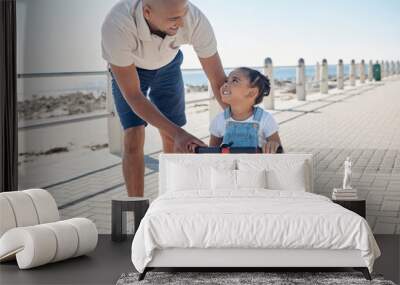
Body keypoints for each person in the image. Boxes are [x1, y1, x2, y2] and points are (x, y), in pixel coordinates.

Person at [101, 0, 227, 196]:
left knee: (171, 135)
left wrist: (242, 121)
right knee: (133, 136)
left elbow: (218, 80)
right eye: (173, 19)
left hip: (168, 66)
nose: (182, 23)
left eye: (183, 14)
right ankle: (138, 212)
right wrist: (179, 134)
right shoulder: (117, 25)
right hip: (132, 70)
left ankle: (171, 200)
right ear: (147, 12)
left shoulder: (194, 19)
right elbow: (134, 95)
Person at [209, 67, 283, 153]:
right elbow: (211, 154)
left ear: (252, 93)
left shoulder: (265, 119)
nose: (225, 84)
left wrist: (273, 145)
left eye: (234, 81)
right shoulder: (219, 120)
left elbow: (279, 152)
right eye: (226, 81)